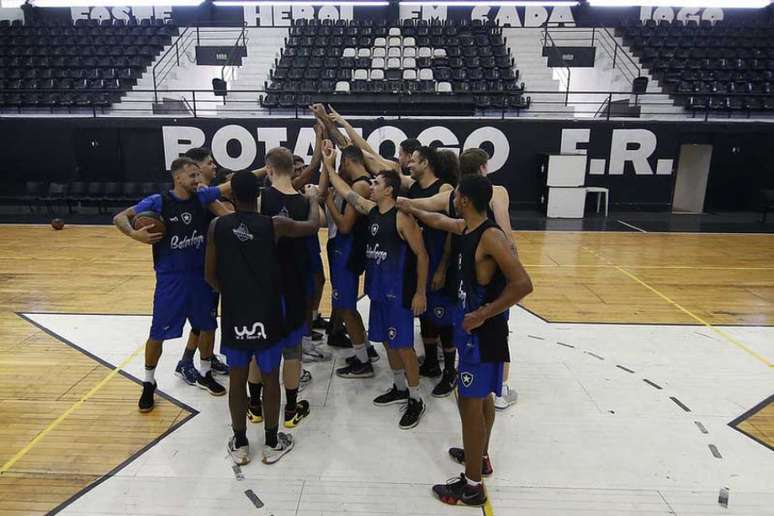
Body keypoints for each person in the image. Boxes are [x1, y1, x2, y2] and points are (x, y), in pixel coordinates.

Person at [398, 175, 533, 506]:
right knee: (479, 396)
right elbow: (437, 219)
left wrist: (484, 313)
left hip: (482, 333)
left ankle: (472, 485)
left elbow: (523, 284)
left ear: (466, 201)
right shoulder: (466, 228)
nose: (452, 198)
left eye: (456, 195)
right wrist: (409, 205)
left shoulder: (489, 237)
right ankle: (480, 457)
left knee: (469, 403)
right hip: (474, 331)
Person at [205, 170, 321, 466]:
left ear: (230, 196)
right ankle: (271, 442)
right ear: (258, 195)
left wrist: (231, 295)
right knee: (271, 378)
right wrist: (311, 199)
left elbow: (209, 275)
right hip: (267, 311)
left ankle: (241, 443)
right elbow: (311, 227)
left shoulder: (217, 225)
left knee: (237, 379)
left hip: (234, 312)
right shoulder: (274, 224)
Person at [397, 148, 519, 410]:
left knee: (491, 335)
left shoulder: (485, 221)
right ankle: (496, 390)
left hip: (488, 285)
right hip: (471, 282)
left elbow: (520, 276)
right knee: (475, 337)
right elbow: (438, 218)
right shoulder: (473, 214)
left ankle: (498, 388)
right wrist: (407, 206)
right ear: (484, 166)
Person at [112, 157, 235, 411]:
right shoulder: (158, 202)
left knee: (208, 326)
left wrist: (266, 170)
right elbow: (120, 217)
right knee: (157, 333)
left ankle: (205, 371)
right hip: (171, 279)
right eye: (192, 176)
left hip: (201, 276)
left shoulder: (202, 198)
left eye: (198, 175)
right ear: (177, 178)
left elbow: (228, 188)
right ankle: (148, 382)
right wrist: (135, 234)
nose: (197, 180)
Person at [325, 141, 430, 429]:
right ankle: (399, 387)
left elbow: (422, 254)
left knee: (404, 346)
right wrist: (327, 162)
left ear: (389, 190)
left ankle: (416, 398)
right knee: (386, 341)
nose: (371, 184)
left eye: (377, 182)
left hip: (399, 295)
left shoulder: (402, 217)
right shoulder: (372, 211)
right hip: (377, 291)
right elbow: (347, 192)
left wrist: (420, 292)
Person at [256, 147, 324, 429]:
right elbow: (315, 224)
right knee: (293, 350)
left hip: (264, 285)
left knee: (258, 347)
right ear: (292, 169)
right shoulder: (305, 204)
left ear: (269, 169)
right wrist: (312, 199)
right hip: (294, 283)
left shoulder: (261, 198)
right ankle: (291, 409)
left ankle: (254, 407)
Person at [173, 147, 231, 386]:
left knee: (208, 318)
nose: (214, 166)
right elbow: (227, 216)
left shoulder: (203, 193)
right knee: (202, 320)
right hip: (199, 268)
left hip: (212, 263)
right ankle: (186, 361)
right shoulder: (199, 195)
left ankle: (208, 357)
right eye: (209, 163)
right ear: (196, 168)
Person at [320, 144, 377, 376]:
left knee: (345, 307)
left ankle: (364, 361)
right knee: (344, 305)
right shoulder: (359, 182)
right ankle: (364, 349)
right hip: (344, 248)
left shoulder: (360, 185)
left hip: (348, 248)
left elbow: (344, 226)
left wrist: (328, 200)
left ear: (346, 163)